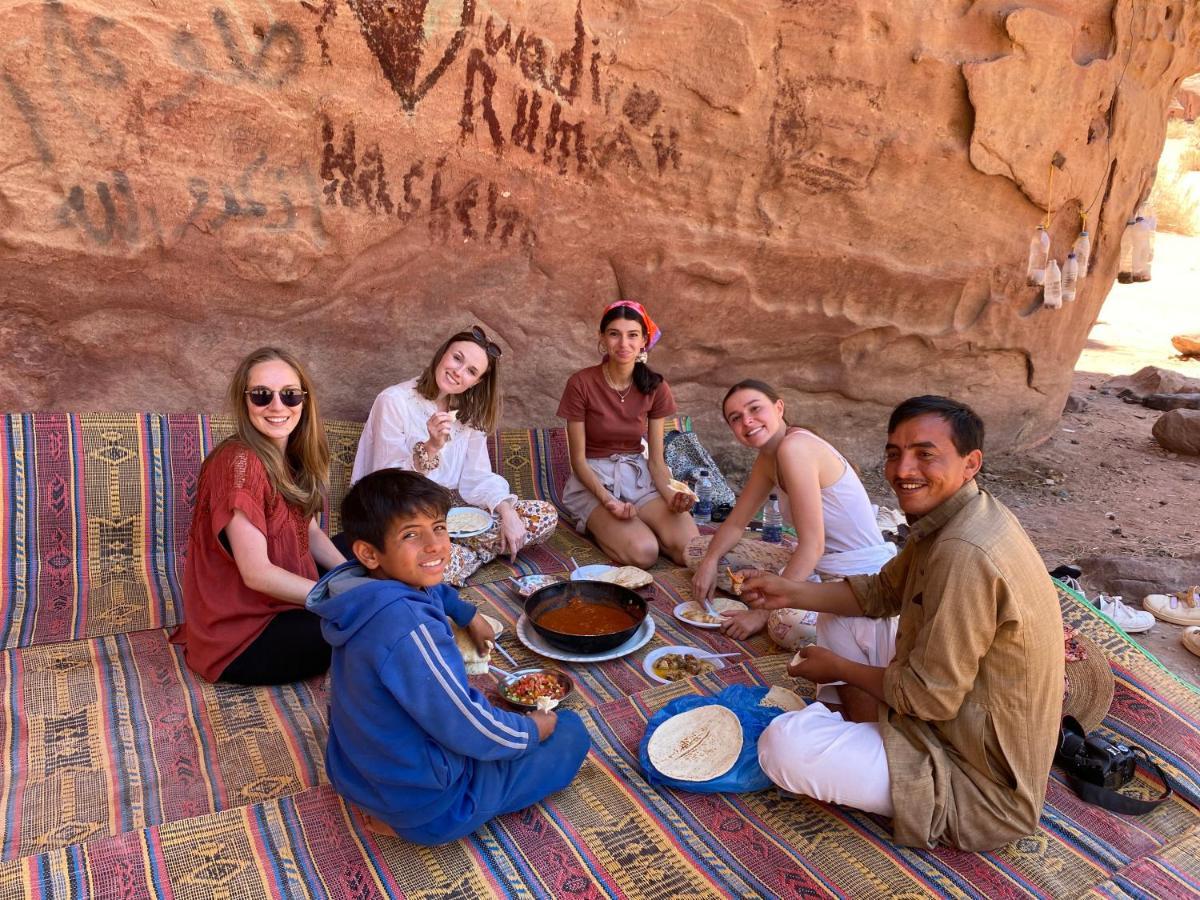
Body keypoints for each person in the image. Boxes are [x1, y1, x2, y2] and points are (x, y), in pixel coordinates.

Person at [748, 396, 1064, 851]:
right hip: (950, 719)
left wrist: (838, 668)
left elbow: (928, 697)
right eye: (894, 453)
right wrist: (790, 592)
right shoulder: (954, 516)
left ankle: (867, 735)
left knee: (782, 745)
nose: (903, 469)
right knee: (836, 615)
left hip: (976, 785)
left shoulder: (964, 553)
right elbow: (881, 594)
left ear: (970, 463)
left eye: (924, 454)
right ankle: (869, 731)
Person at [308, 469, 590, 845]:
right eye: (411, 534)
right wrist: (530, 731)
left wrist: (466, 613)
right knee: (570, 732)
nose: (436, 545)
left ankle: (395, 807)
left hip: (358, 773)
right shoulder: (409, 628)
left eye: (439, 527)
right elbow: (464, 722)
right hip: (429, 801)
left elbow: (434, 592)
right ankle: (411, 824)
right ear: (369, 552)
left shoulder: (361, 589)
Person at [171, 347, 346, 684]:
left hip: (284, 598)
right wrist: (345, 595)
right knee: (364, 620)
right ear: (245, 401)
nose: (277, 406)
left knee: (366, 552)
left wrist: (354, 576)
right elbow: (257, 575)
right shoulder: (241, 463)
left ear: (304, 401)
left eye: (290, 395)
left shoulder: (289, 455)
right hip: (245, 635)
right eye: (262, 395)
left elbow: (309, 534)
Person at [687, 380, 896, 652]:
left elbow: (813, 546)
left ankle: (841, 627)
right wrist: (710, 562)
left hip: (859, 577)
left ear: (779, 408)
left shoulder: (795, 448)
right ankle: (779, 593)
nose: (748, 421)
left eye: (755, 409)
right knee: (696, 551)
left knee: (782, 621)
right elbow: (737, 522)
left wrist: (760, 614)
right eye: (736, 418)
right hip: (818, 566)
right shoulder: (768, 458)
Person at [351, 325, 558, 585]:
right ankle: (461, 556)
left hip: (457, 514)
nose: (458, 372)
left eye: (471, 371)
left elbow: (476, 476)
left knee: (544, 515)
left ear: (477, 382)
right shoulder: (394, 400)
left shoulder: (468, 413)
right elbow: (386, 481)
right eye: (457, 358)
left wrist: (506, 512)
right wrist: (431, 447)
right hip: (406, 514)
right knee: (426, 569)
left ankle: (464, 554)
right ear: (442, 353)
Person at [557, 301, 698, 567]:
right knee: (644, 553)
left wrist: (672, 498)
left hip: (638, 476)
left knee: (691, 550)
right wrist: (608, 500)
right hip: (594, 480)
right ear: (602, 339)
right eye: (614, 333)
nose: (624, 343)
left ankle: (644, 525)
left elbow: (656, 461)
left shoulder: (655, 387)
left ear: (644, 340)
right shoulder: (581, 383)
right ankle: (608, 527)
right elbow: (577, 460)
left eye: (632, 335)